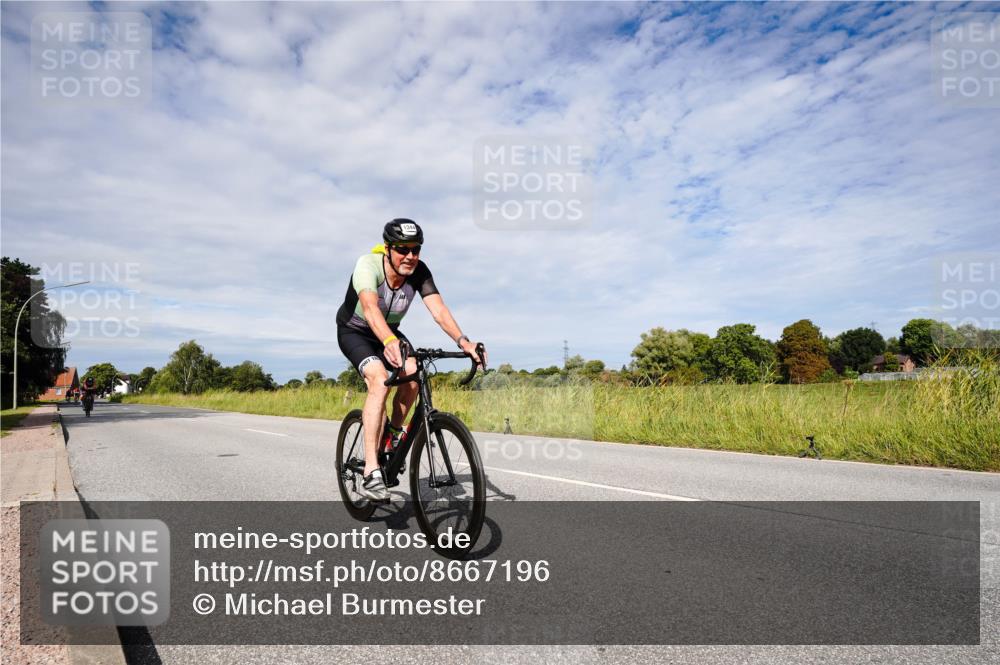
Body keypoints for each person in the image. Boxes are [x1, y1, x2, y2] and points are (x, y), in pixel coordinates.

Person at [336, 219, 486, 502]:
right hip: (355, 330)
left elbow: (439, 310)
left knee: (414, 374)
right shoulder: (368, 265)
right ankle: (371, 471)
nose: (410, 256)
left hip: (389, 331)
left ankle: (392, 434)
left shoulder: (419, 271)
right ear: (388, 249)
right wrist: (389, 342)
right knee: (380, 381)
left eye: (415, 250)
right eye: (403, 250)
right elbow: (369, 308)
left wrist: (464, 341)